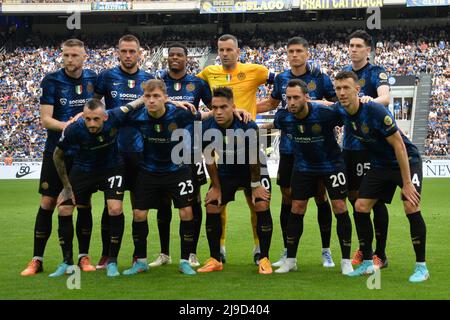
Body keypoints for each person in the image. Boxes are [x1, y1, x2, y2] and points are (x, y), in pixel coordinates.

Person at [334, 70, 428, 282]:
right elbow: (323, 106)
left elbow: (400, 146)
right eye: (338, 88)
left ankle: (421, 267)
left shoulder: (374, 110)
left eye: (346, 88)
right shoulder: (341, 110)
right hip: (379, 165)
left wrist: (406, 184)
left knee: (411, 205)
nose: (341, 92)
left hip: (406, 161)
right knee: (361, 206)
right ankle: (368, 262)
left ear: (357, 90)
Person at [257, 37, 337, 268]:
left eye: (299, 50)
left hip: (318, 148)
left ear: (307, 53)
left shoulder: (320, 77)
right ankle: (287, 251)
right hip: (290, 147)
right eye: (291, 51)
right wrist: (246, 108)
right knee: (288, 198)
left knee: (321, 197)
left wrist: (318, 103)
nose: (294, 55)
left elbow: (336, 105)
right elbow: (272, 104)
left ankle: (326, 250)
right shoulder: (282, 78)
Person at [120, 79, 212, 276]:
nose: (151, 100)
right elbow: (113, 115)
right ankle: (141, 261)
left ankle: (185, 261)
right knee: (139, 214)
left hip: (178, 169)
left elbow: (205, 115)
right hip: (148, 171)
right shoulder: (138, 115)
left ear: (165, 98)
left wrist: (238, 109)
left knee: (187, 212)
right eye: (147, 96)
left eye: (156, 97)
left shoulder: (180, 113)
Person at [21, 39, 97, 276]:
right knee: (48, 202)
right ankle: (37, 259)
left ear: (85, 57)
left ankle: (82, 257)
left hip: (84, 154)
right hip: (57, 152)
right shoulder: (51, 80)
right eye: (66, 55)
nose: (70, 60)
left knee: (80, 204)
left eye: (75, 55)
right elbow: (46, 120)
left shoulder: (94, 79)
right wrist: (69, 126)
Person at [197, 34, 276, 264]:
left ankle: (259, 250)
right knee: (217, 203)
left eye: (229, 49)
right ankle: (218, 250)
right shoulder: (209, 73)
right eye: (221, 49)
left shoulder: (254, 70)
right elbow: (190, 87)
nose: (224, 53)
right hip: (224, 150)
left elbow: (281, 83)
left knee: (257, 203)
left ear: (238, 52)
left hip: (247, 140)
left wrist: (261, 107)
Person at [50, 98, 141, 277]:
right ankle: (67, 261)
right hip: (83, 169)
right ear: (83, 116)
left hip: (112, 168)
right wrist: (66, 187)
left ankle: (112, 262)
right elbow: (57, 156)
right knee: (64, 209)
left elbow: (137, 102)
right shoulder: (73, 129)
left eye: (96, 119)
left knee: (115, 209)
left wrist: (172, 101)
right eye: (88, 119)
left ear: (105, 117)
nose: (91, 123)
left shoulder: (115, 116)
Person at [272, 79, 353, 275]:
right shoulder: (283, 117)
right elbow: (270, 125)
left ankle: (345, 260)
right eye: (288, 98)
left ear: (307, 97)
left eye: (296, 98)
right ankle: (290, 260)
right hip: (303, 167)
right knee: (296, 207)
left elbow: (349, 114)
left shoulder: (326, 114)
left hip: (331, 166)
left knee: (340, 206)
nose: (291, 102)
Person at [94, 34, 154, 269]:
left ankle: (139, 256)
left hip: (141, 152)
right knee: (111, 207)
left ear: (140, 53)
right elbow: (95, 106)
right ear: (117, 52)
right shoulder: (107, 77)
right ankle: (107, 254)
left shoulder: (148, 79)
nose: (128, 55)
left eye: (132, 51)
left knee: (140, 209)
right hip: (113, 152)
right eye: (124, 51)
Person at [150, 43, 212, 268]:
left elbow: (215, 109)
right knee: (163, 201)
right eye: (171, 55)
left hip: (190, 150)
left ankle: (192, 253)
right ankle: (164, 253)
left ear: (187, 59)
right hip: (161, 150)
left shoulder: (198, 83)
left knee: (193, 201)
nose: (174, 58)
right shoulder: (158, 82)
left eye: (179, 55)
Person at [342, 30, 391, 269]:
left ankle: (380, 254)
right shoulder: (345, 75)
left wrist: (367, 100)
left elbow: (386, 98)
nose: (353, 49)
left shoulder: (375, 72)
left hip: (370, 148)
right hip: (349, 146)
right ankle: (364, 249)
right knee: (355, 201)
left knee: (375, 201)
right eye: (350, 45)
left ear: (368, 49)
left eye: (358, 45)